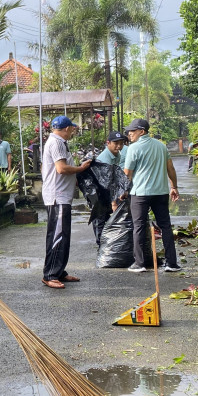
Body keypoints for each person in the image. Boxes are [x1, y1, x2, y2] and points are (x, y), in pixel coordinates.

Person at [122, 118, 181, 274]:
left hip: (140, 194)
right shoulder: (161, 147)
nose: (129, 134)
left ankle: (139, 263)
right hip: (161, 192)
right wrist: (174, 186)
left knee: (139, 227)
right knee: (165, 227)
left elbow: (127, 174)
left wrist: (122, 192)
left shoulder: (133, 149)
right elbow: (171, 168)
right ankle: (171, 263)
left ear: (142, 131)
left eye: (132, 131)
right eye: (129, 131)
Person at [41, 116, 92, 289]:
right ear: (66, 128)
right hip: (58, 196)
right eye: (72, 128)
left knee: (63, 235)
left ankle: (59, 271)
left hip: (61, 195)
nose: (73, 131)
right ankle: (50, 275)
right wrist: (81, 168)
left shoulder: (59, 143)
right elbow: (61, 169)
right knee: (58, 236)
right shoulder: (56, 143)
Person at [89, 131, 129, 244]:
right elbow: (106, 183)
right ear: (108, 143)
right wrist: (114, 202)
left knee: (107, 220)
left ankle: (105, 245)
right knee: (100, 221)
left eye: (121, 143)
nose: (119, 146)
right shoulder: (105, 159)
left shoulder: (117, 154)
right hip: (98, 193)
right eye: (116, 143)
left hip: (106, 193)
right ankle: (101, 247)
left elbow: (115, 176)